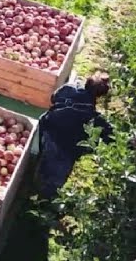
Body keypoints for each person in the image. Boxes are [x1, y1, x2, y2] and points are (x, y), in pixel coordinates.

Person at [36, 71, 114, 199]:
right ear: (99, 96)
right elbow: (109, 135)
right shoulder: (92, 116)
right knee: (57, 176)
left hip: (49, 130)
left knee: (46, 156)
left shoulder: (68, 89)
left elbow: (53, 98)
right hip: (67, 148)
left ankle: (37, 176)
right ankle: (45, 198)